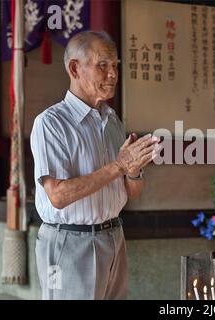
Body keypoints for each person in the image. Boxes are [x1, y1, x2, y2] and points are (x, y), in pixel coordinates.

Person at [30, 30, 160, 299]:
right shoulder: (51, 123)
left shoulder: (111, 120)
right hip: (68, 243)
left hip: (113, 236)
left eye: (115, 66)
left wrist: (133, 171)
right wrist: (119, 165)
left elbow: (131, 194)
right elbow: (58, 195)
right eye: (103, 65)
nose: (112, 74)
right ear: (75, 68)